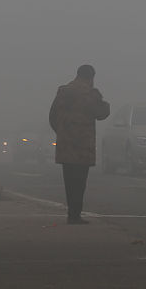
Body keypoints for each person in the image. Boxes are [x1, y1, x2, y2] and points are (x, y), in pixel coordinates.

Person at [48, 64, 110, 224]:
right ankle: (75, 215)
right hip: (83, 146)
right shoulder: (90, 94)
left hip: (66, 145)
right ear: (91, 77)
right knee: (80, 182)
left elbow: (52, 116)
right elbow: (101, 114)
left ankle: (71, 214)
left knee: (69, 181)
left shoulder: (63, 91)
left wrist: (62, 132)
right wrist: (105, 105)